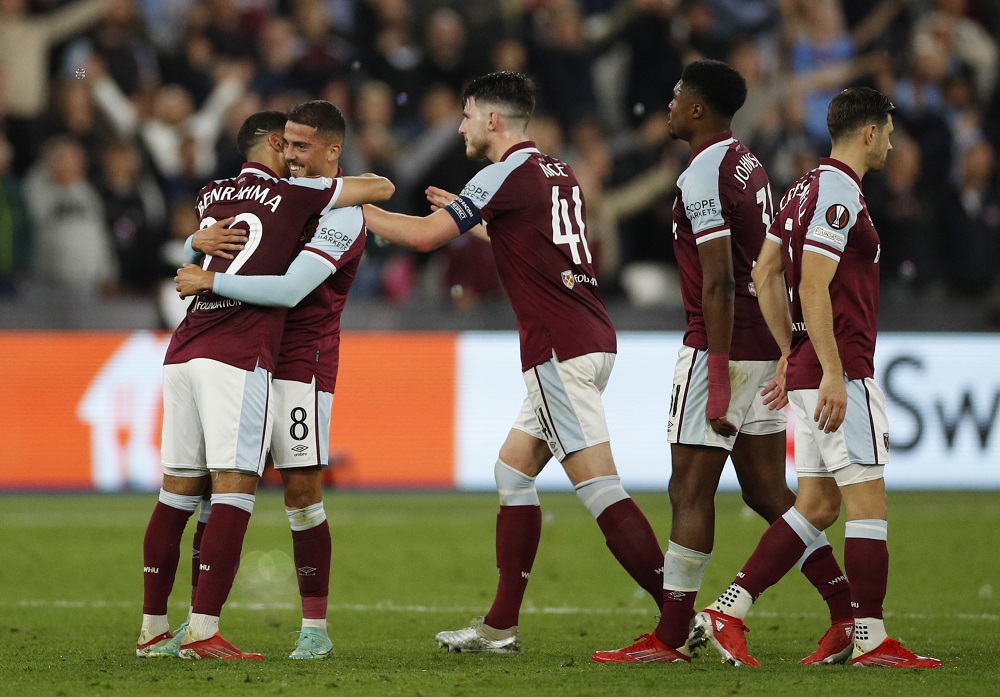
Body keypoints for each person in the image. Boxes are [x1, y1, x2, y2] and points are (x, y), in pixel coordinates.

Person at [359, 70, 665, 654]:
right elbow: (526, 244)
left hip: (557, 347)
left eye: (468, 115)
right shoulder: (557, 170)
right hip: (590, 334)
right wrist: (473, 217)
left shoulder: (500, 175)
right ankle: (500, 628)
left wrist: (352, 211)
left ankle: (679, 617)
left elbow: (425, 238)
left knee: (600, 487)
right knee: (513, 471)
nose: (461, 126)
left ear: (494, 120)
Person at [592, 59, 853, 666]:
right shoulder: (749, 161)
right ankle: (846, 612)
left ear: (699, 108)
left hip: (723, 343)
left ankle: (671, 634)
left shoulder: (702, 170)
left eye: (678, 96)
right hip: (761, 339)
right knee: (766, 489)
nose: (669, 103)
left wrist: (714, 370)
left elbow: (716, 280)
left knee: (688, 487)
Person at [690, 87, 942, 669]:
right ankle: (871, 639)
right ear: (871, 133)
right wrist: (829, 368)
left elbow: (765, 269)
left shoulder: (805, 186)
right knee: (868, 504)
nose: (893, 142)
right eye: (889, 130)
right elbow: (809, 282)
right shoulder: (837, 190)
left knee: (817, 505)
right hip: (839, 370)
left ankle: (729, 609)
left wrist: (789, 350)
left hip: (809, 367)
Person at [135, 110, 393, 660]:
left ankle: (313, 627)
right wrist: (192, 245)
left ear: (329, 151)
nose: (294, 155)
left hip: (299, 361)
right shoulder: (289, 195)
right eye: (288, 145)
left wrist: (200, 265)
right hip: (244, 353)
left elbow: (294, 288)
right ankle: (197, 625)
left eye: (303, 146)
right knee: (215, 487)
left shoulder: (338, 211)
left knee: (298, 490)